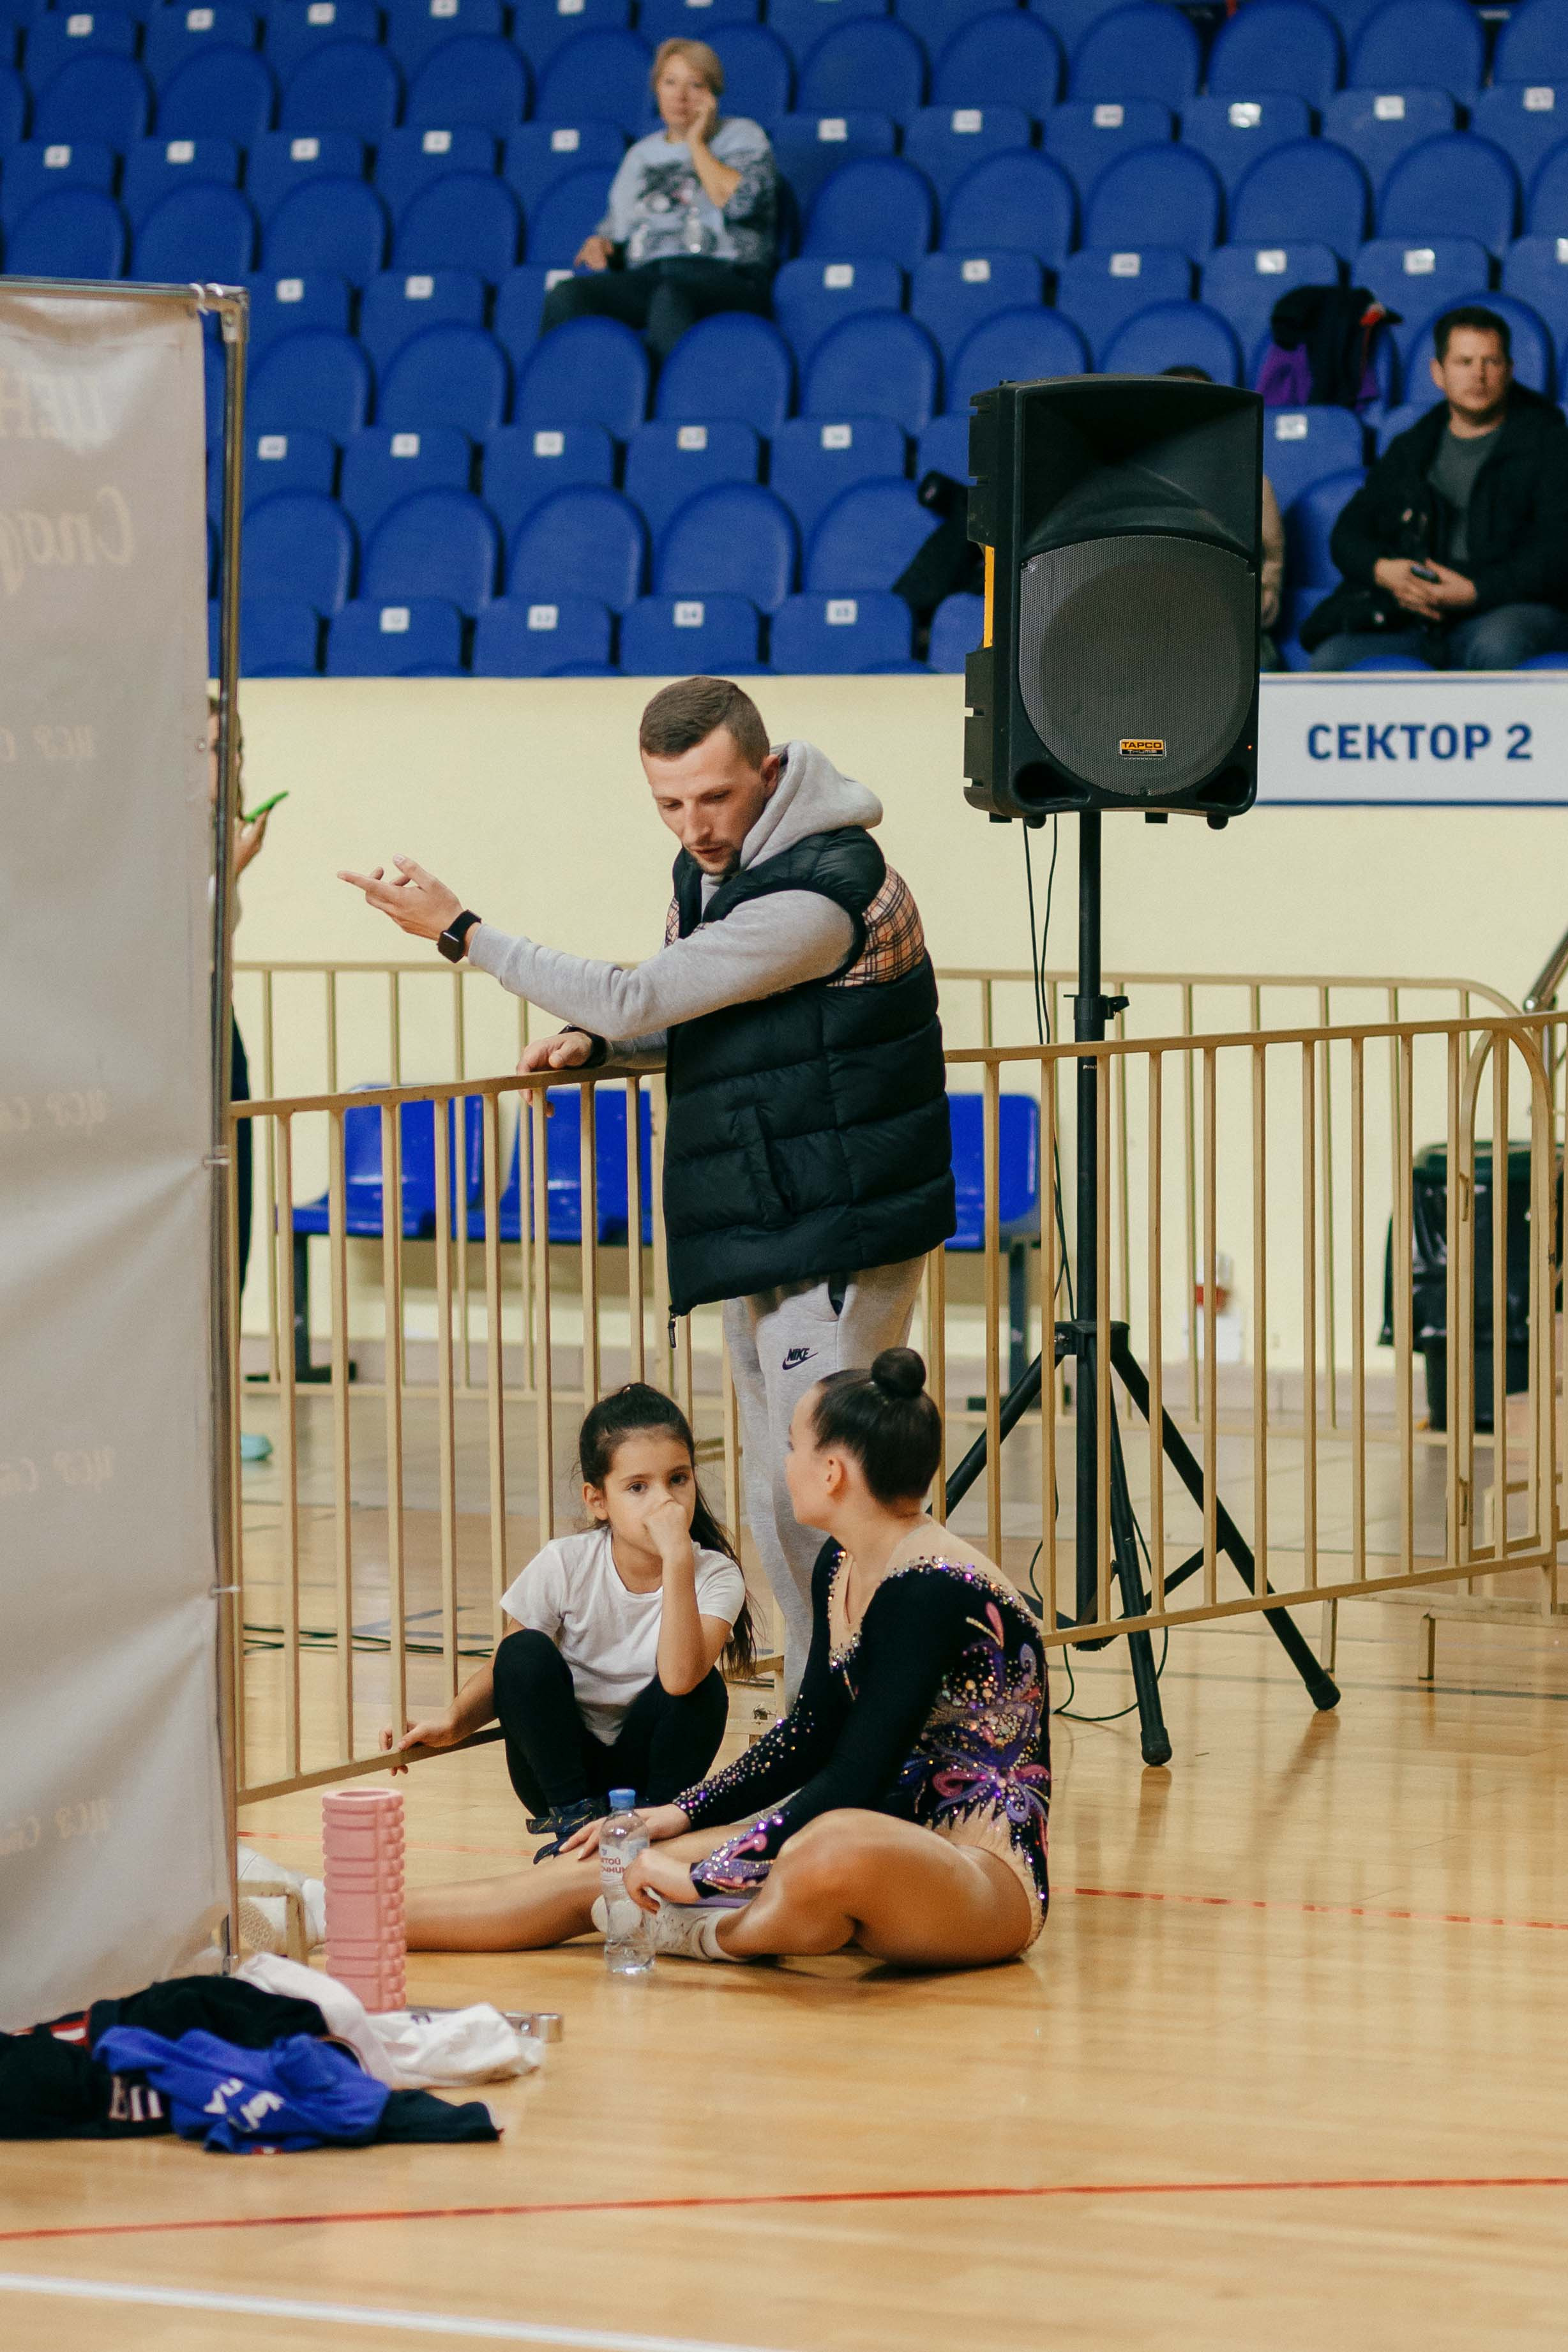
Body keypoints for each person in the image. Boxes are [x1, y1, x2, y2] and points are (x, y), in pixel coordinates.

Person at [339, 677, 957, 1698]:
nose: (695, 826)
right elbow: (696, 1011)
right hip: (770, 1211)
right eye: (670, 804)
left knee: (833, 1496)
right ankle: (822, 1710)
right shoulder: (721, 871)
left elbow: (646, 990)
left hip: (838, 1224)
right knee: (775, 1495)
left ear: (767, 774)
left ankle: (875, 1712)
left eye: (713, 798)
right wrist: (600, 1043)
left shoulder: (823, 889)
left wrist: (465, 932)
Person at [399, 1349, 1050, 1970]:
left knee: (827, 1842)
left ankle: (711, 1931)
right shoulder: (840, 1563)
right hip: (874, 1839)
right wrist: (678, 1814)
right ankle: (342, 1914)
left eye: (792, 1447)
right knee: (617, 1858)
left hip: (973, 1873)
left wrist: (700, 1871)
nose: (784, 1463)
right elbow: (808, 1733)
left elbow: (854, 1772)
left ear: (832, 1473)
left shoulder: (929, 1587)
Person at [379, 1384, 752, 1857]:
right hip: (563, 1771)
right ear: (598, 1501)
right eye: (638, 1487)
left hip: (649, 1766)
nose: (665, 1502)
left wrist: (678, 1557)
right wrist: (454, 1721)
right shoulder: (564, 1562)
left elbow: (680, 1680)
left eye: (678, 1479)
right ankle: (573, 1828)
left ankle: (650, 1828)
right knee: (524, 1650)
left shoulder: (715, 1575)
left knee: (704, 1689)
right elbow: (512, 1670)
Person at [1305, 306, 1568, 670]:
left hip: (1511, 606)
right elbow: (1347, 535)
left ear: (1509, 371)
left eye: (1490, 361)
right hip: (1420, 617)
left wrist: (1476, 591)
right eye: (1464, 362)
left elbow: (1558, 553)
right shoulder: (1412, 447)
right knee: (1331, 661)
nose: (1478, 374)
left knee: (1496, 645)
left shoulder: (1550, 442)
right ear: (1438, 373)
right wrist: (1385, 572)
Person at [539, 39, 776, 367]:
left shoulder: (743, 136)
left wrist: (696, 142)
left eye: (695, 85)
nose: (681, 96)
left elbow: (740, 205)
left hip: (728, 274)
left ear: (713, 95)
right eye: (670, 83)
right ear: (657, 90)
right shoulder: (642, 154)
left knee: (669, 298)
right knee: (568, 296)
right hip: (653, 275)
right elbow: (618, 228)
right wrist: (602, 241)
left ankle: (671, 408)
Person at [1161, 365, 1285, 667]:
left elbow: (1271, 563)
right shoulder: (1135, 481)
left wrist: (1261, 599)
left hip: (1230, 629)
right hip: (1153, 626)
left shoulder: (1251, 483)